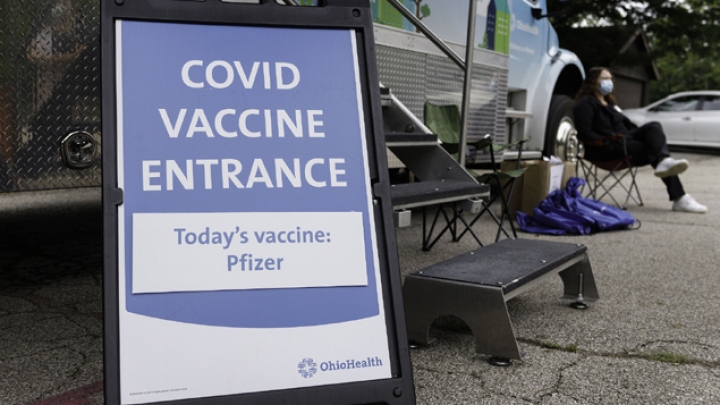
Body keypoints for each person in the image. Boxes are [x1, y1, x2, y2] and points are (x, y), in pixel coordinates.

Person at [573, 67, 707, 213]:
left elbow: (627, 126)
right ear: (592, 81)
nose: (609, 82)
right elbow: (585, 133)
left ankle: (665, 164)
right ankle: (679, 197)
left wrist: (638, 135)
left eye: (610, 79)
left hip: (625, 141)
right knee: (654, 151)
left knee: (654, 127)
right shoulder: (585, 103)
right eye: (604, 79)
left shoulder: (610, 104)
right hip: (606, 148)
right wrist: (607, 141)